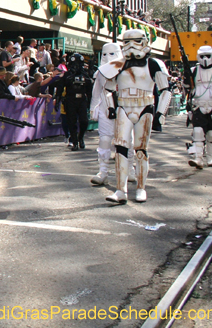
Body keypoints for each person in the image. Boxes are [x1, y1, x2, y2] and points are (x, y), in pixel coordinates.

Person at [106, 30, 171, 204]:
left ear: (143, 42)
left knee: (141, 149)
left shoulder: (154, 64)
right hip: (124, 107)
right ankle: (121, 190)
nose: (131, 46)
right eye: (127, 42)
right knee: (120, 149)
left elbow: (166, 90)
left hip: (145, 107)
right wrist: (111, 108)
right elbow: (109, 89)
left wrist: (160, 114)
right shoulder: (117, 64)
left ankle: (141, 187)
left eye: (135, 41)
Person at [89, 43, 125, 186]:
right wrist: (93, 107)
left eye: (111, 53)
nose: (108, 57)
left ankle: (130, 169)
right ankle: (103, 171)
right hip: (106, 108)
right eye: (105, 54)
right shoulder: (100, 72)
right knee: (104, 139)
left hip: (124, 109)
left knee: (127, 140)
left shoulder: (126, 70)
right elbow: (96, 91)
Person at [54, 53, 92, 151]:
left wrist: (91, 102)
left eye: (79, 64)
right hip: (70, 99)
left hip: (82, 99)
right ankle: (74, 141)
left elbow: (89, 89)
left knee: (84, 121)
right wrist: (57, 99)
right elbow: (60, 87)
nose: (77, 66)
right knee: (72, 122)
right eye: (75, 64)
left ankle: (81, 137)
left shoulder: (85, 74)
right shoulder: (67, 75)